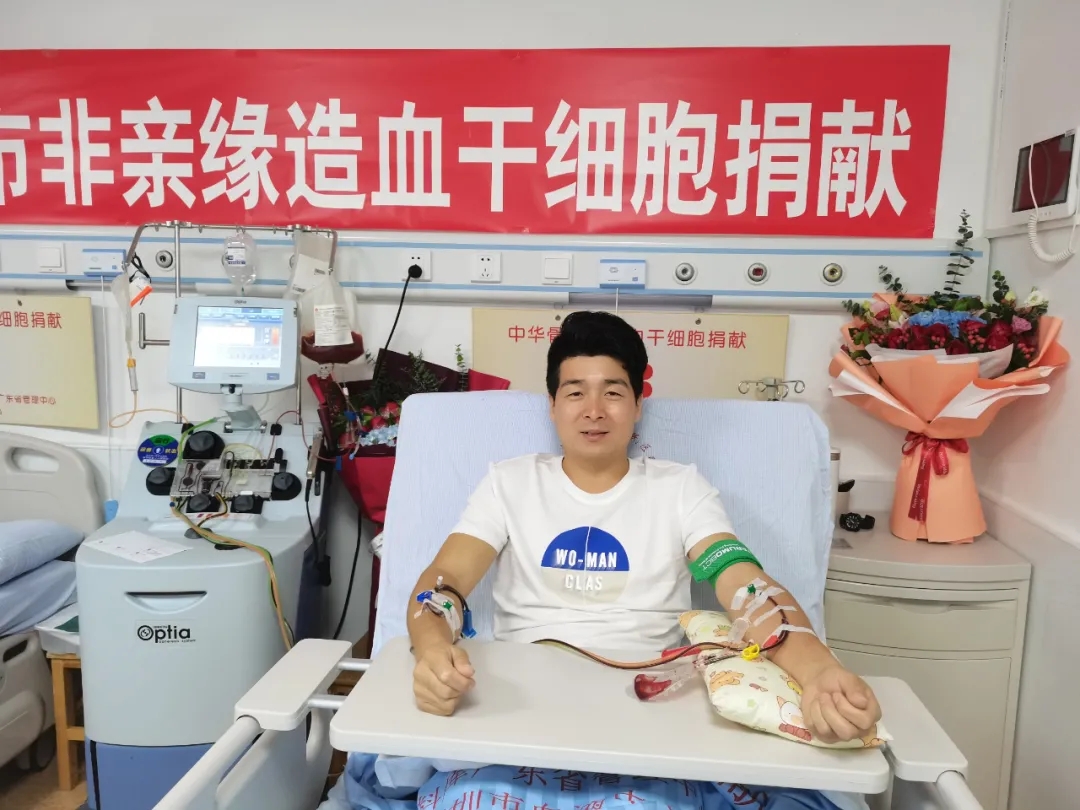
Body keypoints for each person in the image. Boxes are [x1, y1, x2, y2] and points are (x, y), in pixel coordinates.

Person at [404, 310, 882, 810]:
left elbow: (745, 585)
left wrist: (818, 670)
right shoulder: (509, 484)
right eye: (575, 392)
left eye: (613, 392)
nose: (594, 410)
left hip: (645, 709)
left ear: (637, 405)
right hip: (522, 705)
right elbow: (446, 580)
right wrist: (433, 650)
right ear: (552, 405)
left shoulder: (680, 490)